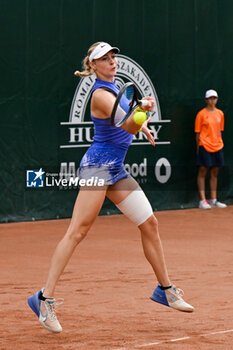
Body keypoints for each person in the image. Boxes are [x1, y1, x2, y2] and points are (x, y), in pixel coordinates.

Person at [28, 42, 194, 333]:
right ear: (93, 66)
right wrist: (142, 114)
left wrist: (141, 120)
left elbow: (129, 119)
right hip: (97, 168)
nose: (111, 61)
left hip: (115, 169)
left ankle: (165, 290)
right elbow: (127, 124)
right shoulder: (101, 95)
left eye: (112, 56)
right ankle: (43, 298)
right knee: (77, 232)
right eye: (104, 59)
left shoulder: (115, 87)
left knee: (150, 224)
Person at [195, 89, 227, 209]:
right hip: (204, 145)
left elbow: (220, 131)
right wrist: (198, 148)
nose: (212, 100)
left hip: (218, 146)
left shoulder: (220, 114)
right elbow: (197, 134)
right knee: (203, 171)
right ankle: (203, 200)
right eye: (210, 98)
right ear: (206, 100)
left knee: (215, 172)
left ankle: (213, 199)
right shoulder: (201, 114)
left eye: (214, 98)